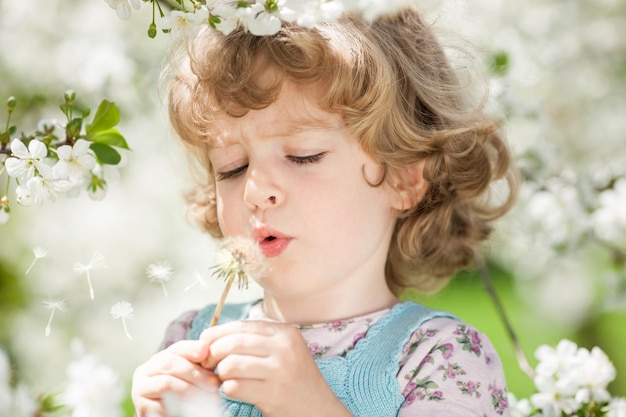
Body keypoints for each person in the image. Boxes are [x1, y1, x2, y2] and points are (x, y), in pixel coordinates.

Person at [131, 4, 518, 417]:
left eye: (303, 156)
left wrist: (310, 407)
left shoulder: (442, 357)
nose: (255, 191)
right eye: (232, 168)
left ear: (403, 179)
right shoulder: (188, 341)